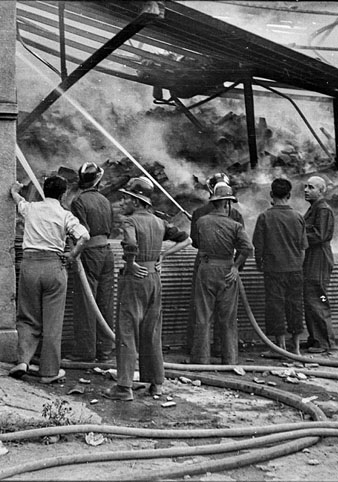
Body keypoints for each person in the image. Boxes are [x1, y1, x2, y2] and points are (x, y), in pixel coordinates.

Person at [103, 176, 191, 401]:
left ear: (137, 201)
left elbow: (130, 244)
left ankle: (124, 386)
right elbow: (187, 239)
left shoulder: (131, 221)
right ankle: (156, 384)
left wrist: (131, 263)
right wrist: (162, 255)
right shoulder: (159, 222)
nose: (125, 201)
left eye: (129, 198)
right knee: (152, 331)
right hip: (154, 278)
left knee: (127, 329)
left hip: (135, 278)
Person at [9, 176, 89, 383]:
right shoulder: (64, 214)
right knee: (53, 322)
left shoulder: (32, 208)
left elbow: (18, 200)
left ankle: (23, 361)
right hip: (54, 266)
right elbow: (84, 236)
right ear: (62, 194)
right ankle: (49, 372)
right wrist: (72, 255)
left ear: (44, 190)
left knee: (27, 316)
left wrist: (16, 190)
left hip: (29, 265)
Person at [190, 181, 253, 365]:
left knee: (203, 315)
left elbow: (197, 243)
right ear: (227, 203)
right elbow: (247, 248)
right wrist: (235, 266)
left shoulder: (201, 221)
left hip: (206, 268)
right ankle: (230, 359)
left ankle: (201, 360)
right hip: (227, 270)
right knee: (228, 318)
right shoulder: (235, 226)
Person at [64, 162, 115, 363]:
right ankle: (105, 350)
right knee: (105, 300)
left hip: (90, 253)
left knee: (85, 301)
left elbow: (82, 232)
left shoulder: (79, 202)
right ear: (97, 180)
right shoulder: (105, 200)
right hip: (107, 252)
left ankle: (85, 352)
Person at [252, 178, 308, 355]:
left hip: (274, 270)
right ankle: (297, 348)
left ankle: (279, 347)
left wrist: (260, 265)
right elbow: (303, 247)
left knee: (275, 306)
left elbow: (258, 247)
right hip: (295, 269)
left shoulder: (265, 217)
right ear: (289, 195)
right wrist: (298, 265)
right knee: (295, 305)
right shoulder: (298, 217)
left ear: (271, 195)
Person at [303, 175, 336, 353]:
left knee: (317, 298)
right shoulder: (315, 208)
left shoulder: (322, 209)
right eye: (306, 187)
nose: (306, 190)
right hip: (312, 258)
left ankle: (324, 343)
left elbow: (320, 235)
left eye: (311, 187)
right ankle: (315, 338)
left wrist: (298, 237)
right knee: (310, 298)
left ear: (321, 190)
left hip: (319, 259)